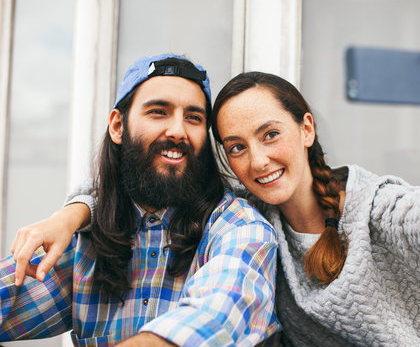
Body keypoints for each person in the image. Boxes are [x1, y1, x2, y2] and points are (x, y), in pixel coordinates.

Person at [12, 38, 420, 346]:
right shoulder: (250, 215)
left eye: (270, 135)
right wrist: (75, 211)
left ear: (306, 128)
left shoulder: (372, 210)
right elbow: (134, 178)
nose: (256, 161)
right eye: (234, 146)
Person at [0, 53, 280, 346]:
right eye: (159, 111)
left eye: (193, 118)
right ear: (118, 126)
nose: (177, 131)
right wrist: (72, 213)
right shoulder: (84, 244)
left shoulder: (239, 228)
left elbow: (218, 313)